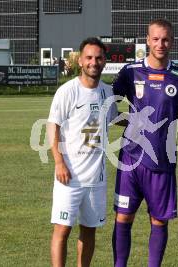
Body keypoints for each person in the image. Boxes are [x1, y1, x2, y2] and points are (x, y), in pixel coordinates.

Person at [111, 19, 178, 267]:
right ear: (147, 40)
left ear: (173, 41)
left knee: (159, 220)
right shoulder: (130, 72)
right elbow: (108, 101)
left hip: (163, 160)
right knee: (123, 217)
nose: (161, 44)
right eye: (156, 39)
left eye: (166, 39)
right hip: (130, 160)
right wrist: (128, 121)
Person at [47, 37, 118, 267]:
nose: (93, 62)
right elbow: (52, 125)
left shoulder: (108, 92)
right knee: (62, 229)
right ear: (80, 60)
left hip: (96, 178)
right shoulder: (67, 91)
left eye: (98, 58)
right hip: (69, 177)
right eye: (89, 57)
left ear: (104, 61)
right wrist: (59, 162)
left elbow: (116, 118)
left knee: (89, 230)